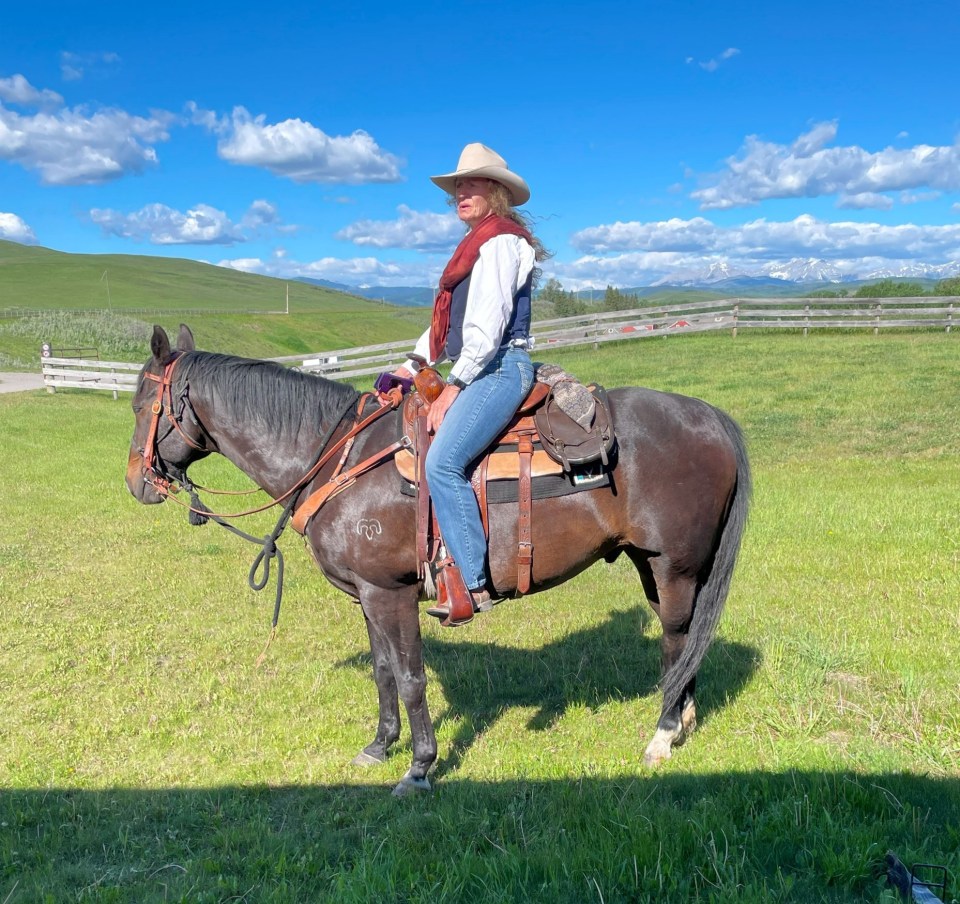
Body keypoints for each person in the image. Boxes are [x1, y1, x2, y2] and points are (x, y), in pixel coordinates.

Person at [375, 143, 550, 624]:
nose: (460, 193)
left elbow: (486, 331)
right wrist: (406, 371)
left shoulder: (501, 242)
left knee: (444, 462)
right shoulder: (473, 246)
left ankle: (472, 583)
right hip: (479, 367)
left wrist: (452, 387)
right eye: (457, 187)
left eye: (471, 184)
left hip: (500, 367)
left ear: (496, 191)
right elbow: (444, 329)